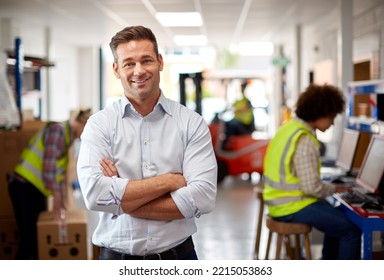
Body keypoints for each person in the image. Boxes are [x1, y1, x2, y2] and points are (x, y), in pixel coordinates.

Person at [76, 25, 217, 260]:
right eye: (129, 63)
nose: (138, 71)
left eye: (146, 60)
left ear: (160, 62)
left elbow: (202, 197)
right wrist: (170, 181)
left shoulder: (191, 123)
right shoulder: (99, 125)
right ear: (116, 69)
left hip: (179, 257)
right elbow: (95, 195)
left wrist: (122, 198)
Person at [262, 84, 361, 260]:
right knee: (350, 231)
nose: (332, 123)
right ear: (321, 112)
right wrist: (335, 189)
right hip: (291, 205)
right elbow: (311, 188)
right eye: (332, 117)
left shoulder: (288, 128)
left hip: (277, 201)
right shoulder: (304, 139)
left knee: (336, 223)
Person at [8, 108, 92, 260]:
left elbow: (59, 176)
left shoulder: (68, 141)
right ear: (81, 123)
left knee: (37, 238)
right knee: (29, 240)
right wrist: (57, 197)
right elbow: (49, 169)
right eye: (88, 128)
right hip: (23, 186)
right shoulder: (58, 130)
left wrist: (61, 204)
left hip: (34, 190)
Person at [223, 81, 255, 148]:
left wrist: (237, 110)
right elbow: (231, 107)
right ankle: (225, 143)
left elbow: (242, 108)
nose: (242, 89)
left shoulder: (247, 101)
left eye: (243, 87)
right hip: (239, 122)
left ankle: (227, 144)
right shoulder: (238, 100)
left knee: (232, 125)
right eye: (241, 87)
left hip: (245, 125)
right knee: (226, 124)